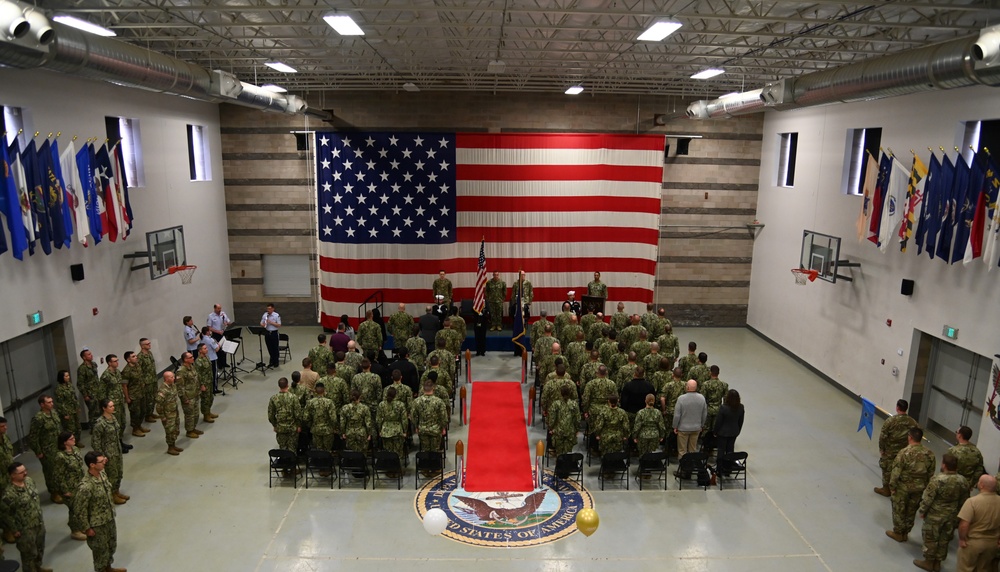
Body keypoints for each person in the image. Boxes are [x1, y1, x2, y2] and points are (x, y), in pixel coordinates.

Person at [914, 453, 969, 571]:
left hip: (935, 514)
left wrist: (922, 511)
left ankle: (928, 562)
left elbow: (928, 498)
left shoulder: (937, 480)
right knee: (944, 538)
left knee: (931, 537)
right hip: (952, 515)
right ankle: (937, 563)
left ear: (944, 465)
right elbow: (965, 500)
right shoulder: (962, 480)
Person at [74, 451, 126, 572]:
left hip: (108, 518)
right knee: (100, 552)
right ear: (92, 465)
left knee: (111, 546)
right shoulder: (86, 486)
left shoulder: (102, 474)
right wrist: (86, 528)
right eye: (101, 462)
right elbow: (79, 509)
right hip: (97, 524)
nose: (104, 463)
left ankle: (108, 568)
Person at [886, 427, 936, 543]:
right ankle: (905, 533)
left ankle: (898, 533)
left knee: (899, 509)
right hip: (919, 488)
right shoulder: (929, 454)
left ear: (910, 437)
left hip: (903, 487)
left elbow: (896, 472)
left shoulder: (904, 453)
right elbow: (931, 473)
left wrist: (892, 487)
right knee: (911, 510)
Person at [1, 462, 50, 572]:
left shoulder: (29, 481)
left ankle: (37, 567)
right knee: (29, 554)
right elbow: (5, 514)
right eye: (21, 472)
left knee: (39, 548)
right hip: (24, 528)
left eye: (25, 470)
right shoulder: (9, 494)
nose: (25, 473)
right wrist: (14, 529)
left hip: (38, 522)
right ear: (13, 475)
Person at [875, 399, 920, 497]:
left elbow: (883, 437)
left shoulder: (890, 421)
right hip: (905, 450)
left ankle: (886, 489)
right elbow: (917, 434)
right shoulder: (912, 422)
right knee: (901, 468)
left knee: (887, 468)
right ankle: (898, 488)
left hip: (890, 450)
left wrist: (882, 449)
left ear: (897, 407)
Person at [956, 474, 1000, 572]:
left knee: (965, 568)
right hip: (992, 544)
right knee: (984, 569)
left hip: (973, 543)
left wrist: (962, 539)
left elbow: (964, 524)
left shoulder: (972, 502)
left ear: (981, 485)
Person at [92, 399, 128, 505]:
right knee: (112, 475)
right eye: (110, 406)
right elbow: (95, 442)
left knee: (119, 473)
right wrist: (101, 456)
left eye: (113, 406)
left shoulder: (113, 418)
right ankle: (112, 495)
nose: (113, 408)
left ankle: (117, 491)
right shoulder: (100, 423)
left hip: (117, 450)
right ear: (104, 408)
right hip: (108, 453)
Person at [51, 431, 87, 541]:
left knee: (81, 507)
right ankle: (75, 531)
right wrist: (65, 490)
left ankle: (81, 526)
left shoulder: (75, 450)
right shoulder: (60, 456)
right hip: (69, 487)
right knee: (74, 509)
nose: (74, 439)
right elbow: (57, 475)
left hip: (79, 483)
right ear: (65, 442)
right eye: (71, 439)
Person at [28, 394, 60, 501]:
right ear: (42, 404)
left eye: (52, 401)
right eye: (49, 402)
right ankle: (54, 492)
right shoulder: (38, 418)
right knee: (50, 471)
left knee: (60, 468)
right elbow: (33, 437)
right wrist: (38, 451)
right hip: (47, 450)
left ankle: (61, 488)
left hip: (58, 446)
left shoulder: (54, 413)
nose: (52, 403)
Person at [99, 354, 129, 448]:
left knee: (122, 422)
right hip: (112, 404)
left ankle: (120, 441)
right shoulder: (106, 375)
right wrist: (105, 407)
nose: (117, 362)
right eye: (115, 361)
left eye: (117, 360)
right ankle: (117, 445)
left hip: (119, 401)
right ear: (109, 363)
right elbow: (101, 393)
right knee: (115, 425)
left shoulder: (117, 372)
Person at [673, 379, 707, 461]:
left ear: (687, 387)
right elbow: (704, 414)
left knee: (682, 451)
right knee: (693, 449)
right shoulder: (702, 398)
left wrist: (675, 426)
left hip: (683, 428)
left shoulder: (681, 399)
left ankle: (683, 468)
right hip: (696, 428)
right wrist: (701, 425)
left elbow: (677, 415)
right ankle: (691, 466)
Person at [412, 379, 448, 452]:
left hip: (422, 430)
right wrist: (443, 427)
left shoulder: (416, 402)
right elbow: (443, 417)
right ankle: (435, 463)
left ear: (423, 388)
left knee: (425, 450)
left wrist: (416, 426)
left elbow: (414, 416)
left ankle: (426, 462)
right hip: (436, 430)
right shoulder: (439, 402)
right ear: (433, 388)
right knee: (435, 451)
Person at [303, 383, 338, 454]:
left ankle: (319, 463)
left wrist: (311, 425)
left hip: (315, 429)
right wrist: (334, 427)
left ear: (315, 391)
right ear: (324, 391)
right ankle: (327, 463)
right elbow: (333, 418)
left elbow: (305, 417)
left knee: (318, 450)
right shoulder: (329, 402)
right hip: (328, 430)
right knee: (327, 451)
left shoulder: (310, 402)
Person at [120, 351, 148, 440]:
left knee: (143, 411)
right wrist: (127, 398)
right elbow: (124, 386)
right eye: (133, 356)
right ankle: (135, 429)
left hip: (141, 393)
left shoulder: (137, 365)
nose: (136, 357)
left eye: (135, 356)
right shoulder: (126, 371)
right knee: (135, 413)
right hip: (133, 395)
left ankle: (139, 426)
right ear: (128, 360)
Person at [267, 377, 301, 451]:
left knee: (282, 448)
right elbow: (297, 414)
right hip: (292, 427)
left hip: (280, 427)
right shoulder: (293, 397)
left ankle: (283, 461)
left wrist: (275, 425)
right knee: (292, 448)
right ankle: (292, 461)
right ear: (287, 385)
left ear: (279, 386)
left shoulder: (274, 398)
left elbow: (270, 415)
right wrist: (298, 425)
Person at [548, 384, 581, 457]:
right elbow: (578, 419)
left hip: (558, 431)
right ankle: (567, 465)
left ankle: (560, 464)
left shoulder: (556, 404)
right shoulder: (574, 404)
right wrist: (577, 429)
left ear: (560, 393)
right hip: (570, 431)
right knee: (568, 451)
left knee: (559, 452)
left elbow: (552, 418)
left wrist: (551, 428)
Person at [377, 386, 408, 463]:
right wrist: (405, 431)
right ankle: (398, 469)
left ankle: (390, 468)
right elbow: (404, 419)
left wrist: (379, 430)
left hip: (385, 430)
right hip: (397, 430)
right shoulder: (400, 405)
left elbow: (378, 419)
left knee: (388, 452)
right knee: (398, 452)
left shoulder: (381, 405)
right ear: (395, 395)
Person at [176, 352, 202, 440]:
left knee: (196, 413)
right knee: (189, 415)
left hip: (195, 394)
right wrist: (184, 398)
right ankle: (189, 431)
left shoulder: (191, 367)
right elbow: (180, 387)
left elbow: (196, 379)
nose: (193, 358)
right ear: (185, 360)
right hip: (188, 397)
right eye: (191, 357)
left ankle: (193, 428)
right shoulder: (181, 371)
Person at [155, 371, 183, 455]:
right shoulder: (163, 390)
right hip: (167, 414)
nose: (174, 378)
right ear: (166, 379)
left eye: (173, 376)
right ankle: (170, 448)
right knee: (169, 431)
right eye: (171, 377)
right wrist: (162, 416)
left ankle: (173, 445)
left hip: (174, 411)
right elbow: (158, 406)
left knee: (175, 429)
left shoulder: (173, 385)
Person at [949, 426, 985, 490]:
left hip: (953, 484)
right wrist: (972, 483)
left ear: (959, 435)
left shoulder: (952, 451)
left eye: (956, 432)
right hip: (967, 485)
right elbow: (979, 469)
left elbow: (948, 468)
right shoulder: (977, 452)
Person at [55, 369, 84, 445]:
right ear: (62, 377)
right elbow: (60, 403)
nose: (68, 377)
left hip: (73, 409)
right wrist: (65, 414)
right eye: (66, 376)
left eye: (68, 375)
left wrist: (77, 407)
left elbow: (74, 397)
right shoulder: (59, 389)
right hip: (67, 411)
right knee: (70, 429)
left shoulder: (70, 385)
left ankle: (77, 441)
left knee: (78, 427)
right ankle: (70, 444)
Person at [714, 389, 745, 457]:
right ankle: (729, 465)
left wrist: (715, 432)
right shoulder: (741, 407)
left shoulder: (723, 408)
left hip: (722, 433)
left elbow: (719, 421)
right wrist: (738, 430)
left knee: (721, 450)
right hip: (734, 432)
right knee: (730, 449)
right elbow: (741, 421)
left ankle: (720, 466)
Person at [137, 338, 159, 424]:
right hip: (147, 382)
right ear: (142, 346)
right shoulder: (140, 357)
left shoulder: (150, 353)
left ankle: (151, 412)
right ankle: (147, 415)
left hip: (153, 379)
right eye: (147, 344)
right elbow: (139, 371)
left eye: (149, 343)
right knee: (148, 399)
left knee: (153, 397)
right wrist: (142, 383)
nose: (150, 345)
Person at [195, 343, 219, 424]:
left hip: (209, 381)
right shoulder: (198, 361)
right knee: (205, 400)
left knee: (210, 398)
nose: (207, 349)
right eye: (205, 348)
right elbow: (198, 375)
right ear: (200, 350)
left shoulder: (207, 357)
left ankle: (208, 412)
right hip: (204, 383)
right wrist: (201, 385)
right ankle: (206, 415)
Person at [77, 348, 101, 428]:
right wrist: (85, 395)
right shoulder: (82, 368)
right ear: (84, 357)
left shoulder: (93, 364)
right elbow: (80, 383)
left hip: (97, 391)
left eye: (91, 354)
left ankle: (100, 427)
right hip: (90, 394)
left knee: (100, 410)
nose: (91, 355)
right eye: (89, 354)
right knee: (93, 412)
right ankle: (93, 428)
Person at [206, 303, 232, 370]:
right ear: (214, 308)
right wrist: (218, 331)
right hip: (216, 334)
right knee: (218, 349)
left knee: (224, 348)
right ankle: (219, 364)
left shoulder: (223, 314)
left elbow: (229, 322)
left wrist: (227, 323)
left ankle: (224, 363)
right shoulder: (211, 316)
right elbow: (209, 327)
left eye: (220, 308)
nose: (220, 310)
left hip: (223, 333)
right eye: (218, 308)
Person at [200, 326, 222, 394]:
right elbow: (216, 349)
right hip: (212, 358)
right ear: (207, 332)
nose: (210, 332)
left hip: (205, 358)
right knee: (214, 373)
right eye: (209, 331)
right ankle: (214, 389)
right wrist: (219, 345)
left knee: (208, 373)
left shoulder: (202, 339)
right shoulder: (210, 340)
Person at [260, 303, 282, 368]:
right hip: (267, 333)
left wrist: (271, 322)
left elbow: (279, 325)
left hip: (274, 333)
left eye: (269, 309)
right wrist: (263, 324)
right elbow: (261, 322)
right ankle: (271, 361)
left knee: (275, 347)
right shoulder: (265, 315)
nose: (268, 310)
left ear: (273, 309)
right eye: (267, 309)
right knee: (269, 348)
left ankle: (276, 361)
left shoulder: (276, 315)